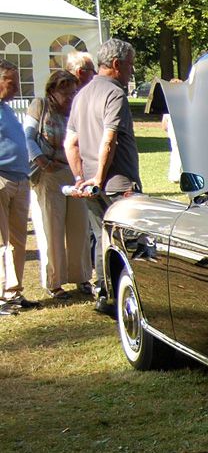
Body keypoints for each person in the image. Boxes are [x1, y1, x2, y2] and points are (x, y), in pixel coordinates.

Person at [65, 38, 142, 312]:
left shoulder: (81, 95)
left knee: (101, 237)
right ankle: (131, 297)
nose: (132, 72)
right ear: (116, 64)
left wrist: (80, 178)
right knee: (129, 239)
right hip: (117, 184)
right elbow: (109, 140)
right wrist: (98, 178)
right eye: (130, 65)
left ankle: (104, 295)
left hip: (90, 185)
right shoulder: (115, 94)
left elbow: (70, 144)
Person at [24, 70, 90, 300]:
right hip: (49, 174)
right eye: (66, 92)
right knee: (52, 228)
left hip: (74, 174)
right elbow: (28, 137)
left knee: (79, 227)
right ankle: (55, 282)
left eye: (74, 92)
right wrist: (42, 161)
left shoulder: (75, 111)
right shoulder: (40, 105)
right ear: (52, 91)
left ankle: (82, 277)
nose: (70, 97)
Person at [0, 60, 41, 315]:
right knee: (1, 241)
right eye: (11, 83)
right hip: (2, 179)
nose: (16, 88)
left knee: (17, 240)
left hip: (19, 178)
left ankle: (14, 292)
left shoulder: (6, 109)